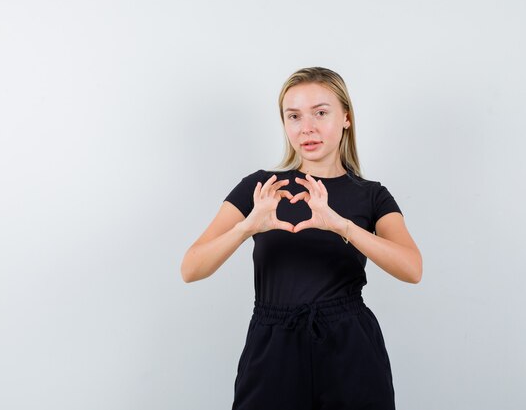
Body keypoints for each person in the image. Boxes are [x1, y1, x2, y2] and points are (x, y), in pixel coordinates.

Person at [180, 67, 422, 410]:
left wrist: (343, 226)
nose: (306, 128)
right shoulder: (261, 188)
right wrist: (246, 227)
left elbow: (412, 268)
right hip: (272, 348)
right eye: (293, 116)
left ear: (346, 118)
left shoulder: (372, 196)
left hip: (349, 347)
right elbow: (191, 268)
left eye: (321, 113)